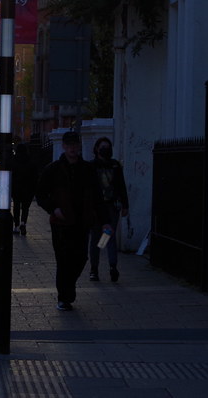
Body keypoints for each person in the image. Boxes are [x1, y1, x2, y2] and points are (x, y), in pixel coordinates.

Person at [35, 130, 111, 311]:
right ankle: (65, 297)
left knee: (80, 258)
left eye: (75, 145)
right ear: (64, 146)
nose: (72, 149)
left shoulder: (88, 170)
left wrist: (105, 221)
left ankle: (68, 288)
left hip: (83, 222)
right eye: (69, 145)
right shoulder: (53, 170)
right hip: (61, 223)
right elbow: (40, 195)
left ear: (79, 146)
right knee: (63, 260)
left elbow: (98, 197)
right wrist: (54, 208)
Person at [89, 136, 130, 282]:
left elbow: (121, 185)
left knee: (107, 237)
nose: (105, 150)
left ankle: (112, 266)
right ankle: (94, 268)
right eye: (102, 147)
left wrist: (125, 205)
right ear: (97, 149)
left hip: (111, 207)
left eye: (107, 147)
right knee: (96, 238)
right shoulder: (92, 166)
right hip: (96, 209)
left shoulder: (115, 166)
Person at [10, 142, 37, 235]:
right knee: (25, 208)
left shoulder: (13, 160)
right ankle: (23, 223)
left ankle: (16, 226)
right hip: (28, 188)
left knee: (16, 207)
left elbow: (11, 175)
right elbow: (35, 176)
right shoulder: (30, 160)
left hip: (16, 188)